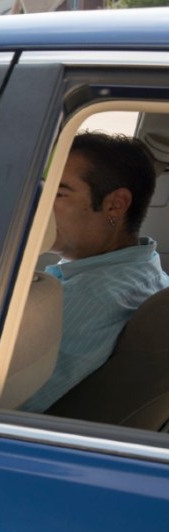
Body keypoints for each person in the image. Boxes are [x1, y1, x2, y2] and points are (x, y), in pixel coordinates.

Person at [21, 131, 169, 412]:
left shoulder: (92, 299)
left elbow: (6, 403)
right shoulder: (146, 271)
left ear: (115, 204)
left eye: (59, 193)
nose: (39, 207)